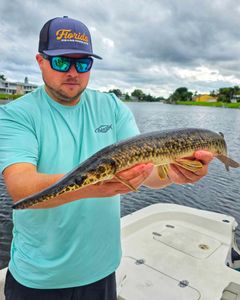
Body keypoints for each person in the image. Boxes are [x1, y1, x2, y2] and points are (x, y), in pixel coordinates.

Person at [0, 16, 213, 300]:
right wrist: (93, 185)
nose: (73, 72)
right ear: (40, 61)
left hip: (102, 270)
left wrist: (171, 173)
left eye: (83, 63)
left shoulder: (111, 106)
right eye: (62, 62)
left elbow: (146, 171)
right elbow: (21, 186)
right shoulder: (16, 115)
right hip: (39, 279)